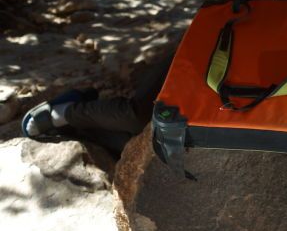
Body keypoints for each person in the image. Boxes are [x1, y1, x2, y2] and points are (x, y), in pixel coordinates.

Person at [21, 53, 173, 156]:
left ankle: (79, 127)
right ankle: (68, 112)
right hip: (192, 56)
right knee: (140, 115)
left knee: (142, 147)